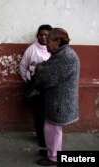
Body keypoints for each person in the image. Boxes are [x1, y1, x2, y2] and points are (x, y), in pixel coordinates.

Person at [34, 28, 80, 166]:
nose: (45, 44)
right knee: (53, 127)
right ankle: (52, 151)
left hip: (59, 101)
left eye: (48, 41)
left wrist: (39, 70)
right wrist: (41, 68)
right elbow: (45, 68)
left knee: (52, 128)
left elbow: (46, 79)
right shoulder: (60, 53)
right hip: (57, 100)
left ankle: (53, 157)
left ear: (58, 41)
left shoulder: (65, 57)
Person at [20, 24, 52, 147]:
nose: (43, 37)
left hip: (50, 86)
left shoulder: (54, 49)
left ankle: (51, 137)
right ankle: (42, 139)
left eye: (46, 35)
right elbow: (23, 67)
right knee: (39, 113)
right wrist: (28, 80)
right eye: (41, 34)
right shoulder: (32, 49)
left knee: (50, 113)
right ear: (37, 36)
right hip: (37, 85)